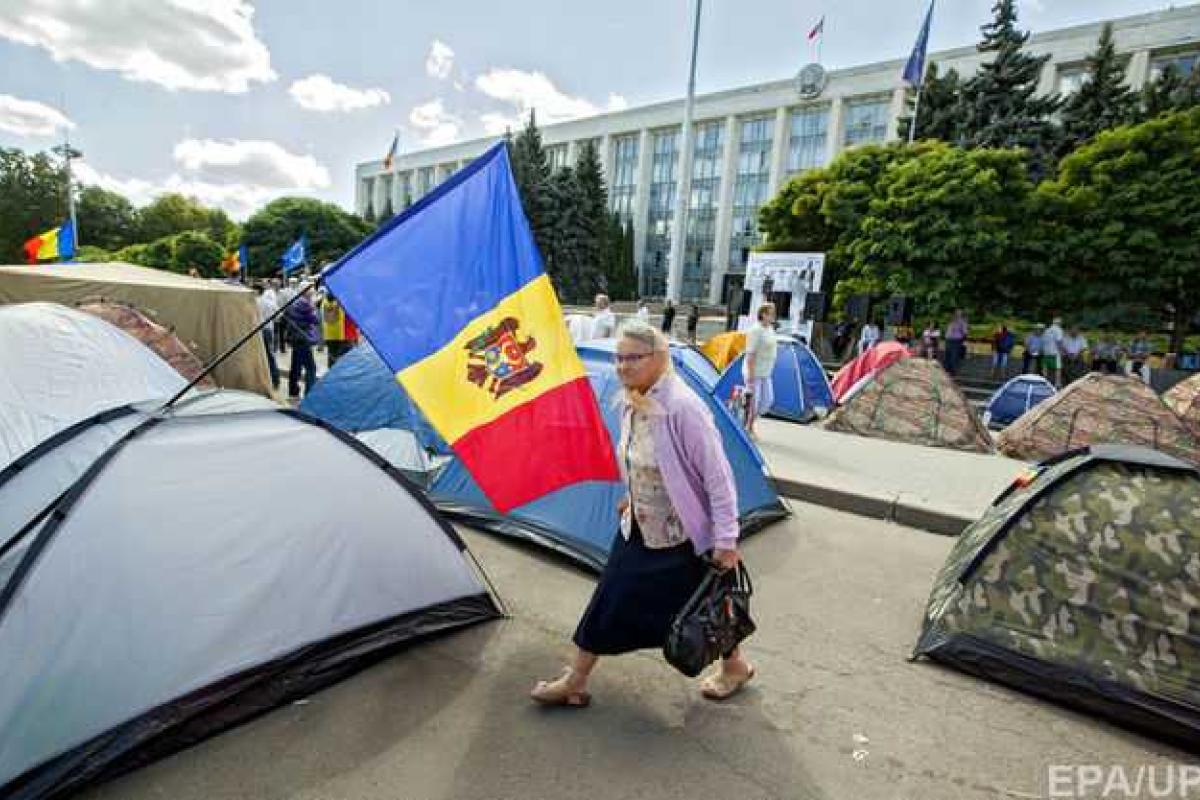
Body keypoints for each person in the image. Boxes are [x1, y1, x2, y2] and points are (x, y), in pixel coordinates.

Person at [530, 321, 753, 707]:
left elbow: (719, 479)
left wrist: (726, 540)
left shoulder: (684, 408)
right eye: (619, 358)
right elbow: (641, 460)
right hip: (639, 527)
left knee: (704, 609)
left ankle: (734, 668)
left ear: (659, 358)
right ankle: (576, 679)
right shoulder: (633, 399)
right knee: (609, 598)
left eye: (633, 357)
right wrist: (632, 496)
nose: (622, 366)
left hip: (684, 538)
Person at [743, 303, 779, 437]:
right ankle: (749, 427)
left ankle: (748, 421)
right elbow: (750, 354)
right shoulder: (755, 330)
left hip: (766, 372)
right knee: (754, 401)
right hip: (755, 372)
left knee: (767, 401)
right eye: (771, 313)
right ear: (763, 314)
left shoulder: (770, 329)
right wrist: (751, 376)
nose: (773, 316)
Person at [285, 287, 319, 400]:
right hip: (304, 339)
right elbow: (315, 320)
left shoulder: (294, 303)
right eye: (311, 293)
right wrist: (313, 308)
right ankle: (310, 393)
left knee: (295, 367)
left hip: (295, 339)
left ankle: (293, 392)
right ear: (307, 293)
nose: (312, 295)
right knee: (311, 368)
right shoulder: (306, 305)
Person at [255, 284, 280, 390]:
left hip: (257, 331)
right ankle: (275, 380)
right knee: (270, 355)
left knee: (259, 356)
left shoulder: (253, 302)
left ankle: (262, 380)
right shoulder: (269, 302)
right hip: (269, 330)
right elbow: (279, 315)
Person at [1042, 316, 1065, 387]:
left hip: (1046, 352)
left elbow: (1044, 341)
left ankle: (1045, 383)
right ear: (1059, 323)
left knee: (1046, 368)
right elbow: (1059, 342)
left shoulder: (1047, 330)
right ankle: (1057, 383)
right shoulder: (1059, 330)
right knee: (1058, 368)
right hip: (1055, 352)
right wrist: (1061, 352)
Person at [944, 310, 968, 375]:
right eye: (956, 313)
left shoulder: (962, 322)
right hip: (948, 340)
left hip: (956, 341)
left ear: (961, 315)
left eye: (958, 314)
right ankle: (947, 370)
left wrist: (964, 341)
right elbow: (948, 331)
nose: (956, 315)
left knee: (954, 356)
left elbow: (965, 332)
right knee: (947, 355)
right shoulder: (951, 322)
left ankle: (953, 371)